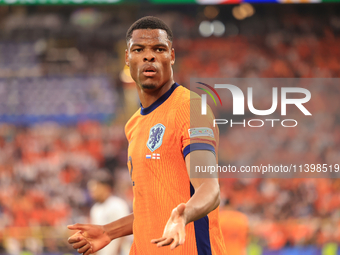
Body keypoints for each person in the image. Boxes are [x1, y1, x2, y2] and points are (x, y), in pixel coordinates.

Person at [67, 16, 227, 255]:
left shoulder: (191, 108)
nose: (149, 56)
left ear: (171, 56)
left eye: (159, 49)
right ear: (127, 58)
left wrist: (183, 216)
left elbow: (209, 188)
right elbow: (150, 207)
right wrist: (109, 231)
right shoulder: (134, 124)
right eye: (139, 49)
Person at [87, 170, 130, 255]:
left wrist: (116, 251)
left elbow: (125, 231)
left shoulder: (118, 205)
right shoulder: (95, 209)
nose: (92, 192)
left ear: (105, 187)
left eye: (95, 187)